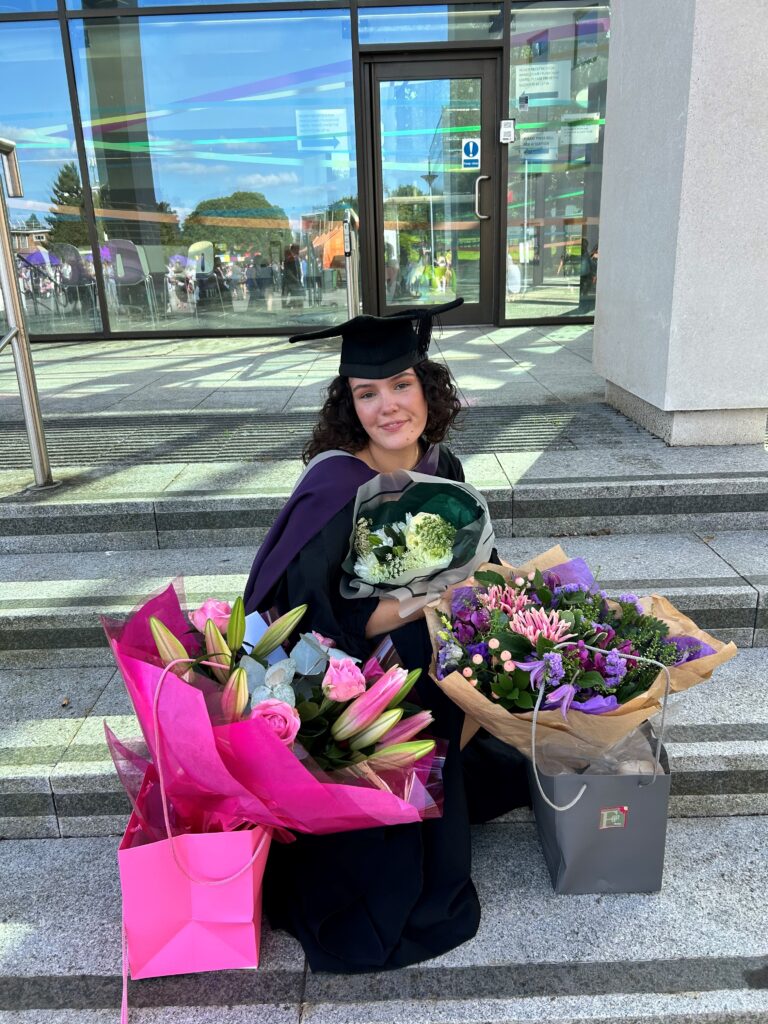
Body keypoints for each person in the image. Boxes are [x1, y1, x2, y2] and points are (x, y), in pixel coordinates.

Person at [243, 297, 529, 974]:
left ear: (428, 390)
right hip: (346, 675)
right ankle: (406, 831)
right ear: (350, 406)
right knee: (431, 653)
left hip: (421, 645)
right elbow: (320, 625)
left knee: (472, 652)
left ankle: (445, 792)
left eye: (401, 385)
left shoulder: (441, 466)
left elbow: (470, 556)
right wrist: (430, 597)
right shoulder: (336, 488)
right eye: (366, 393)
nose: (387, 407)